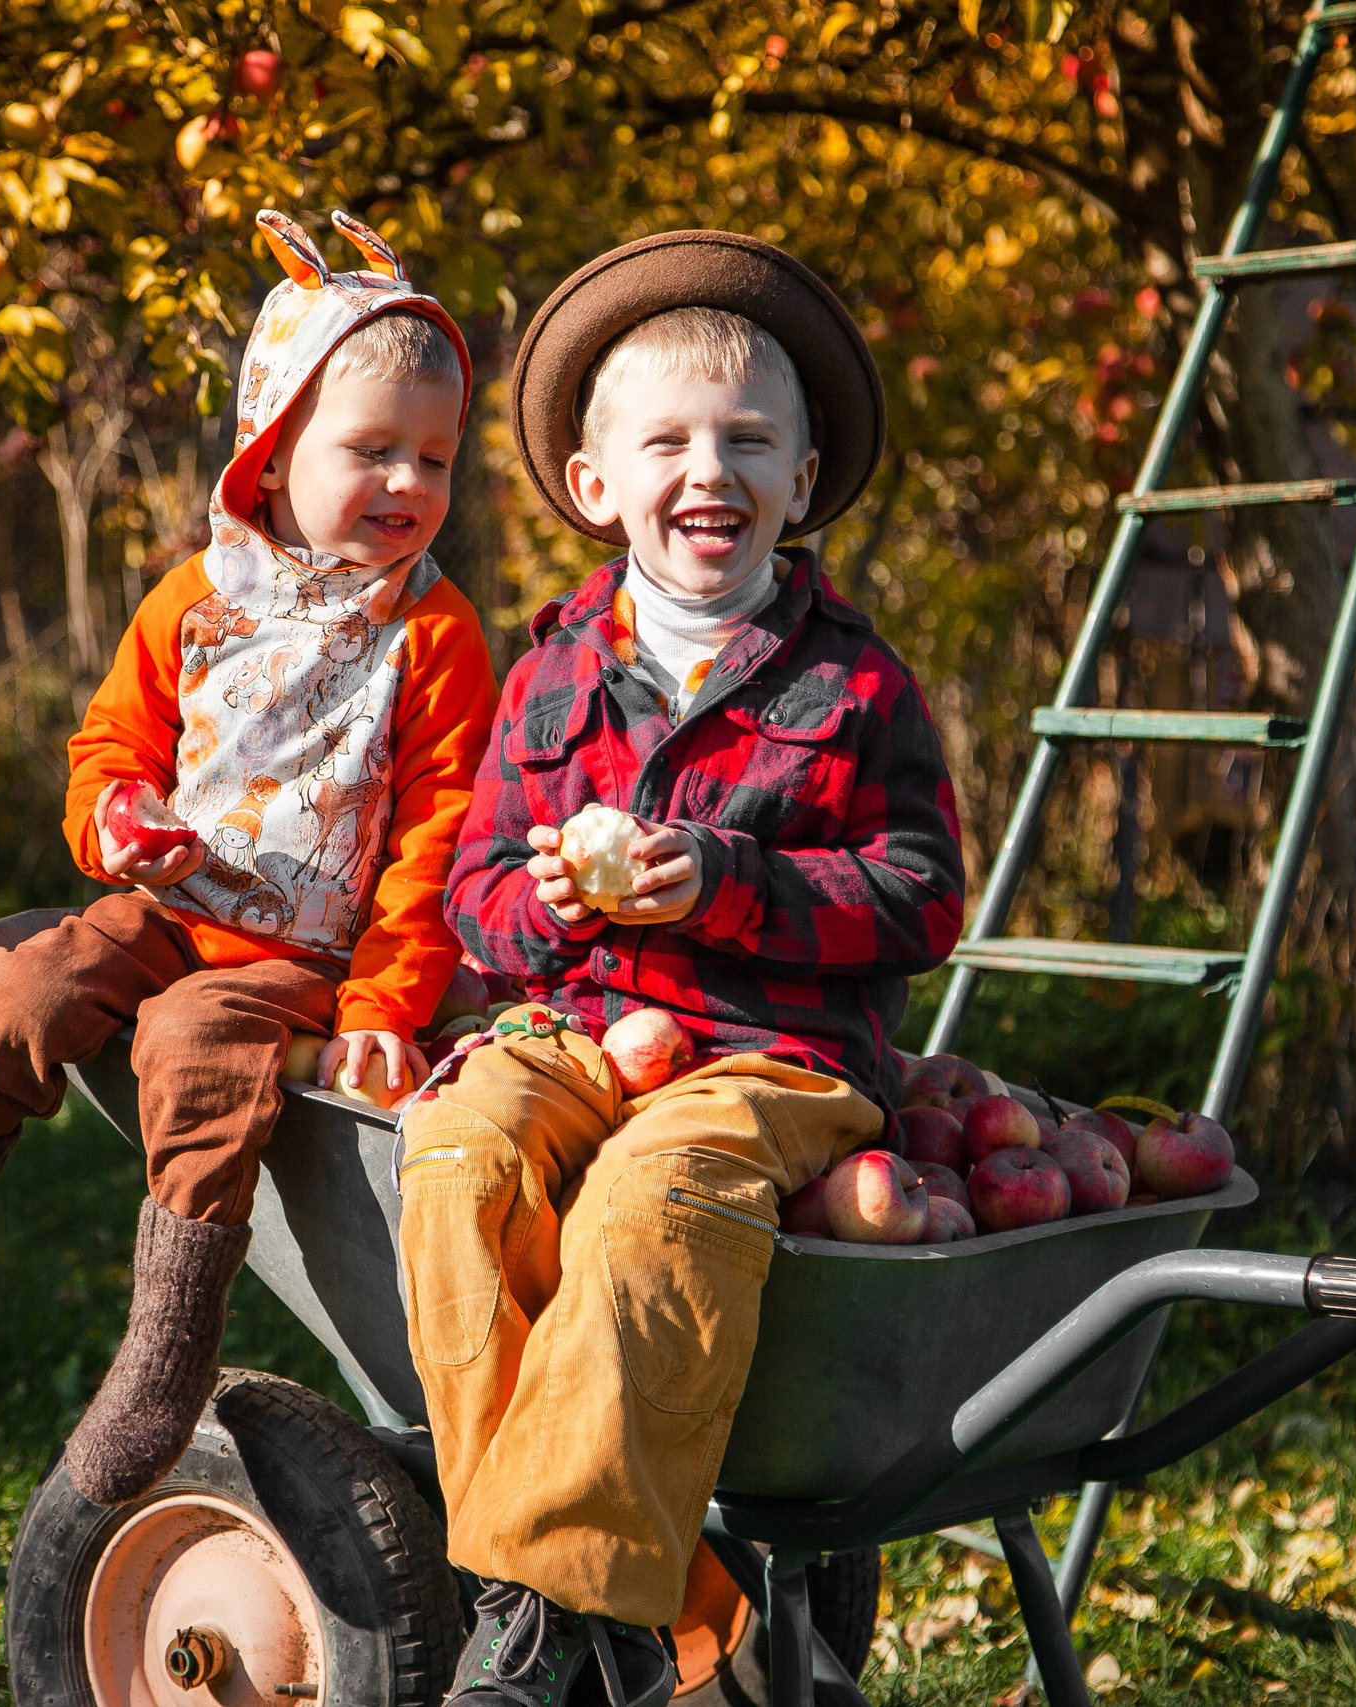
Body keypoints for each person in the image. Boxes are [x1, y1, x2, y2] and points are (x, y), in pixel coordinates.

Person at [0, 209, 498, 1508]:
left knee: (195, 1050)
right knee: (18, 988)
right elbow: (111, 746)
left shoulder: (433, 633)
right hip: (164, 907)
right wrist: (117, 818)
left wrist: (389, 1004)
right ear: (272, 455)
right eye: (371, 450)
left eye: (434, 459)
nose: (407, 483)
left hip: (306, 955)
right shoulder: (194, 598)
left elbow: (440, 837)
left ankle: (167, 1349)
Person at [394, 232, 966, 1707]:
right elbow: (477, 909)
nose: (709, 469)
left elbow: (920, 899)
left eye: (749, 441)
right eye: (668, 442)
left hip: (776, 1057)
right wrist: (566, 909)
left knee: (659, 1198)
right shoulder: (551, 676)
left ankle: (532, 1635)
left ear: (804, 477)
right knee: (452, 1157)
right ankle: (627, 1608)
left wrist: (732, 882)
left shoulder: (855, 683)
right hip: (580, 1027)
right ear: (598, 487)